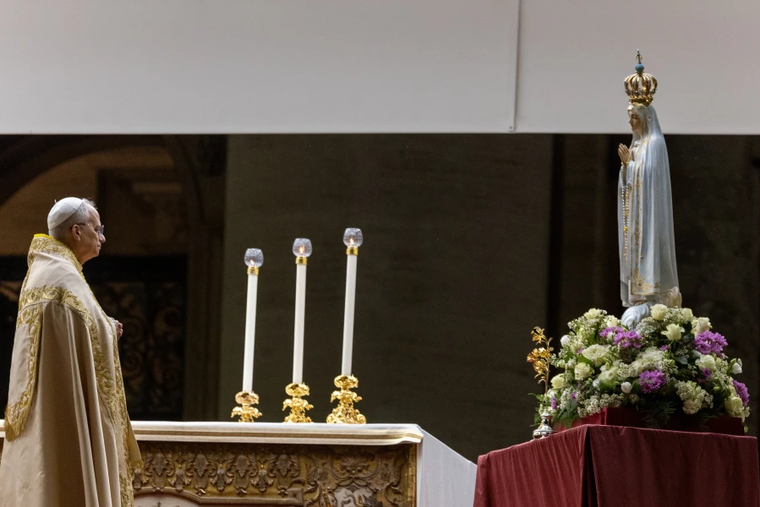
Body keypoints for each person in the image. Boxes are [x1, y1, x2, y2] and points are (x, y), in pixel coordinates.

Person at [0, 197, 140, 507]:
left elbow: (76, 328)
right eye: (97, 228)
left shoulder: (47, 271)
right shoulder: (62, 278)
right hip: (66, 406)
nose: (102, 237)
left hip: (52, 404)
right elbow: (78, 326)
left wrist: (104, 324)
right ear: (76, 232)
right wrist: (106, 328)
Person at [618, 54, 680, 327]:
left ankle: (652, 295)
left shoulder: (653, 144)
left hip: (648, 216)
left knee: (648, 253)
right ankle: (639, 297)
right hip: (636, 219)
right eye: (629, 117)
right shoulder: (637, 145)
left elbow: (650, 180)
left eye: (634, 117)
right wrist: (626, 170)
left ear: (644, 116)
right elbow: (629, 184)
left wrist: (631, 167)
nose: (631, 123)